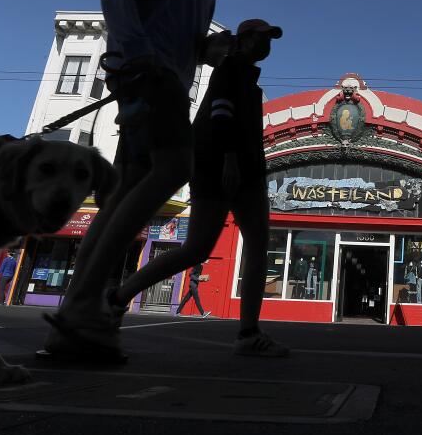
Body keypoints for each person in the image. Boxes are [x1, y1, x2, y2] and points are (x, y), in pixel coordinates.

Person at [41, 0, 251, 362]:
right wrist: (134, 52)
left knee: (122, 193)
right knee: (175, 165)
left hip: (171, 79)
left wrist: (215, 51)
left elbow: (195, 44)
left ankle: (76, 313)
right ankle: (83, 308)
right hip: (145, 71)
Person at [111, 19, 290, 357]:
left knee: (249, 247)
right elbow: (221, 116)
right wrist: (231, 160)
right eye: (261, 37)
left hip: (241, 169)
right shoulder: (230, 69)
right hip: (221, 167)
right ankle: (119, 297)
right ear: (242, 40)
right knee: (203, 248)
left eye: (269, 40)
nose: (266, 45)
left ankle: (249, 332)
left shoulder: (245, 76)